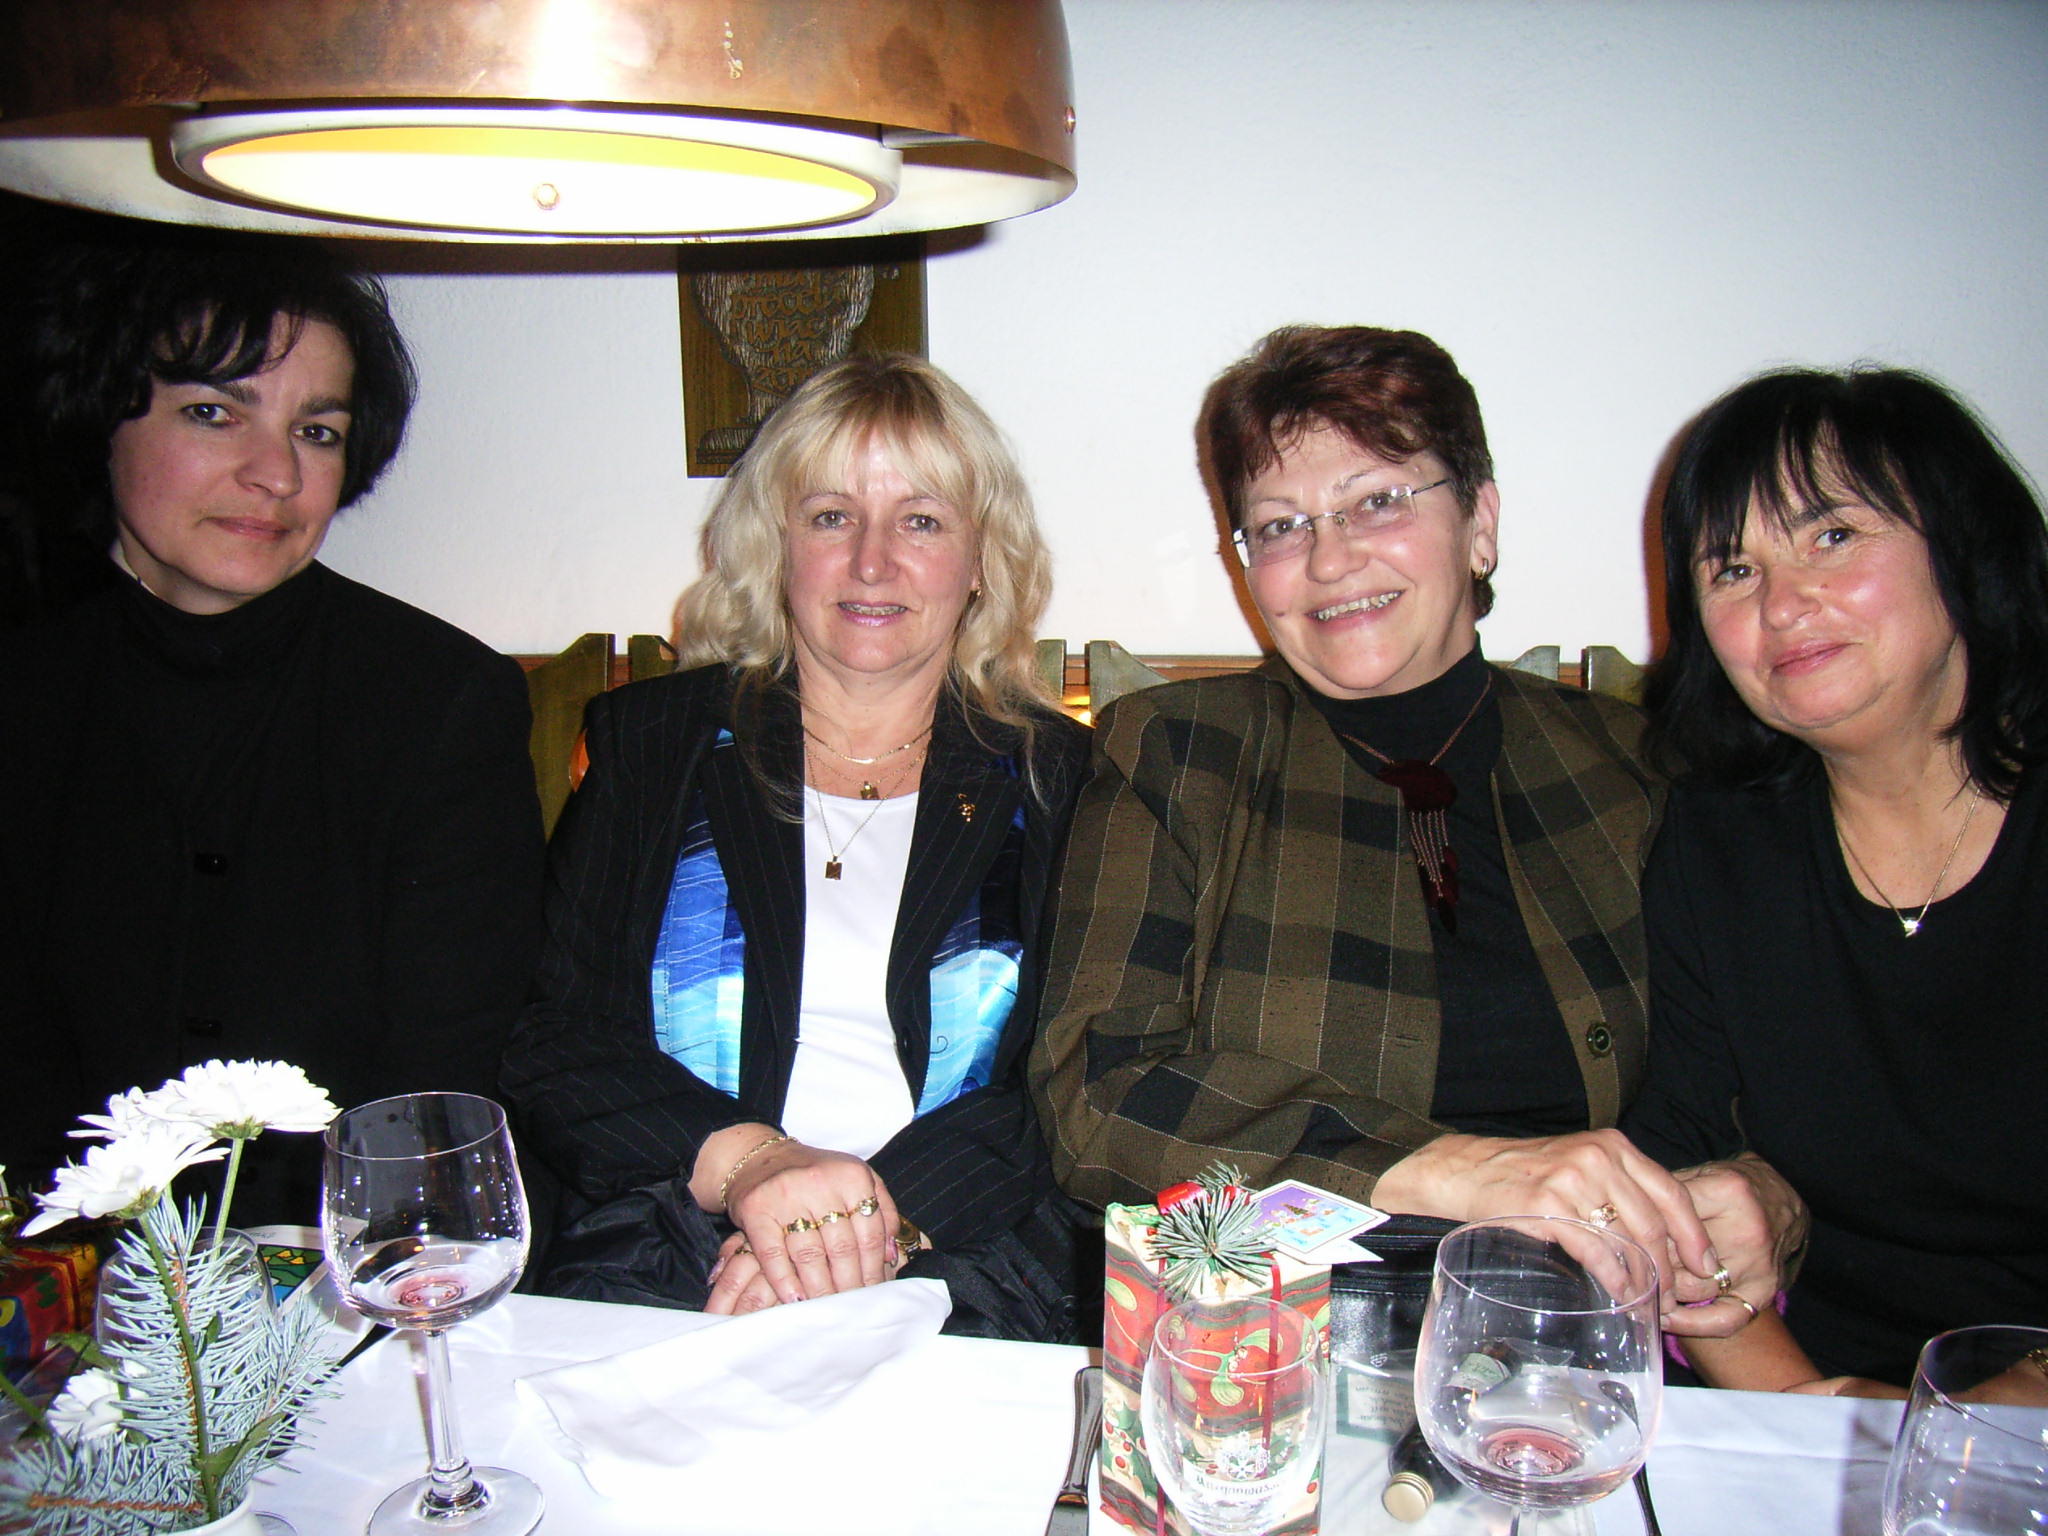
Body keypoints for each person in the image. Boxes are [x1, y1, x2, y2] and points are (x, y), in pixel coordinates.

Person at [1032, 325, 1788, 1334]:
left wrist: (1764, 1194)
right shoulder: (1175, 751)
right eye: (1280, 525)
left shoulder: (1635, 769)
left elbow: (1757, 1085)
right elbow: (1096, 1098)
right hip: (1268, 1336)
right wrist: (1464, 1172)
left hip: (1582, 1325)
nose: (1330, 558)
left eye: (1378, 501)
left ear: (1480, 523)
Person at [500, 354, 1094, 1342]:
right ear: (774, 547)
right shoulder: (656, 745)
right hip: (682, 1233)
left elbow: (1069, 1074)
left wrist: (860, 1229)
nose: (871, 562)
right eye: (829, 517)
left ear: (982, 558)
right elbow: (552, 1036)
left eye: (921, 520)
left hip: (959, 1247)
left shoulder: (1058, 778)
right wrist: (754, 1168)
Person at [0, 228, 545, 1226]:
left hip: (359, 1262)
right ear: (101, 416)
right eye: (214, 412)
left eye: (317, 431)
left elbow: (440, 1086)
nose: (278, 474)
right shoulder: (25, 698)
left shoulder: (439, 699)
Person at [1623, 366, 2048, 1393]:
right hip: (1806, 1398)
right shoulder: (1717, 843)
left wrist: (1980, 1419)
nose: (1782, 604)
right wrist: (1816, 1422)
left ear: (1960, 546)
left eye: (1832, 536)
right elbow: (1679, 1191)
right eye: (1732, 569)